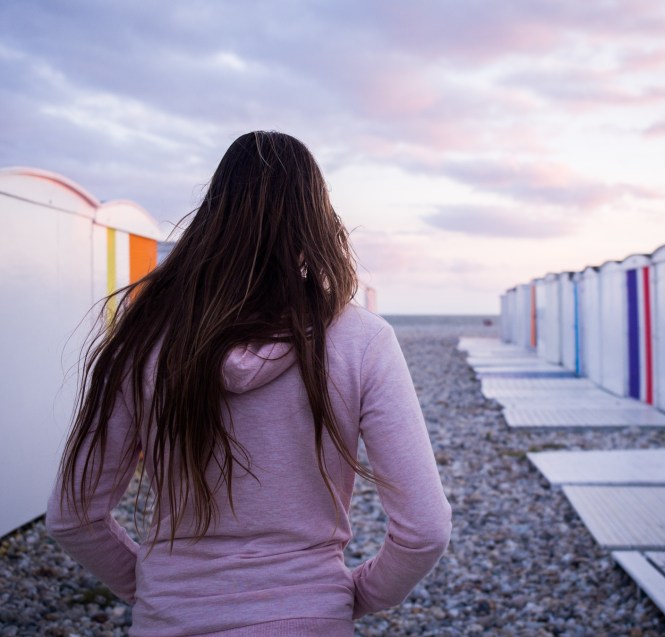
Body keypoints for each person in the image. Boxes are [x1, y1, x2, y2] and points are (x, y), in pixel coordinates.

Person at [46, 131, 452, 637]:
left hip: (170, 616)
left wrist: (164, 591)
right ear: (317, 220)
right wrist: (352, 596)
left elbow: (73, 516)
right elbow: (426, 530)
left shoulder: (144, 335)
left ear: (212, 215)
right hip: (311, 618)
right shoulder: (362, 339)